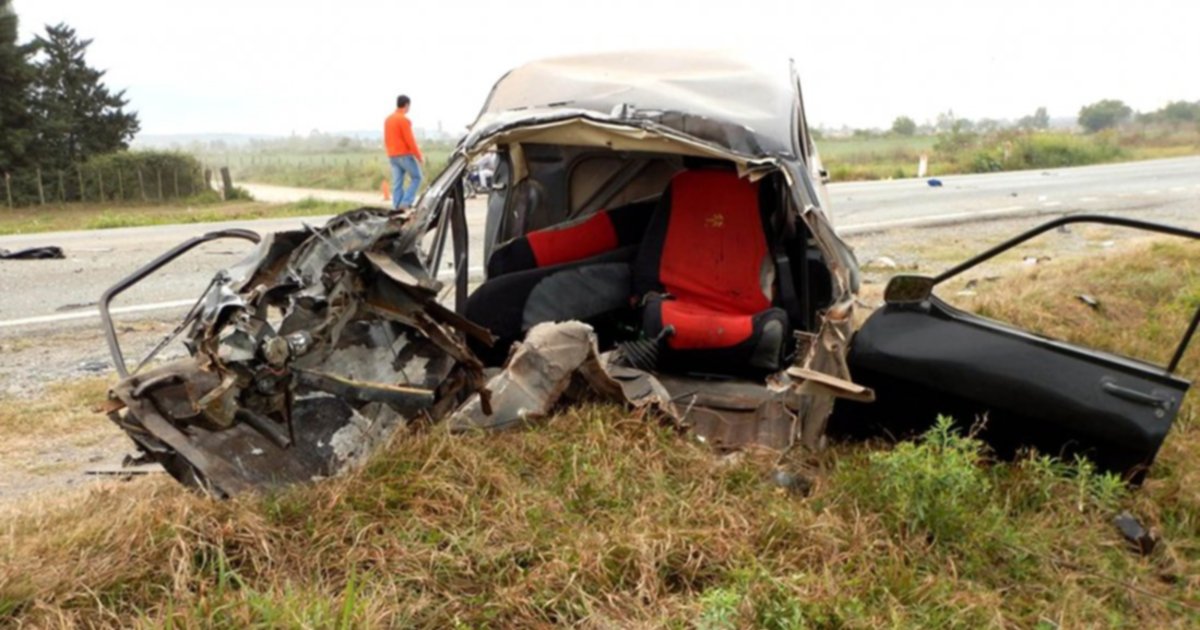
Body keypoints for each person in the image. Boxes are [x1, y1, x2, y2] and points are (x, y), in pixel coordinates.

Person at [384, 94, 423, 209]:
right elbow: (410, 140)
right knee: (417, 177)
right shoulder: (403, 120)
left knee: (397, 183)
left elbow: (386, 138)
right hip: (404, 155)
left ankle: (397, 206)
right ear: (406, 105)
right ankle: (405, 203)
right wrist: (419, 156)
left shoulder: (388, 119)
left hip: (392, 156)